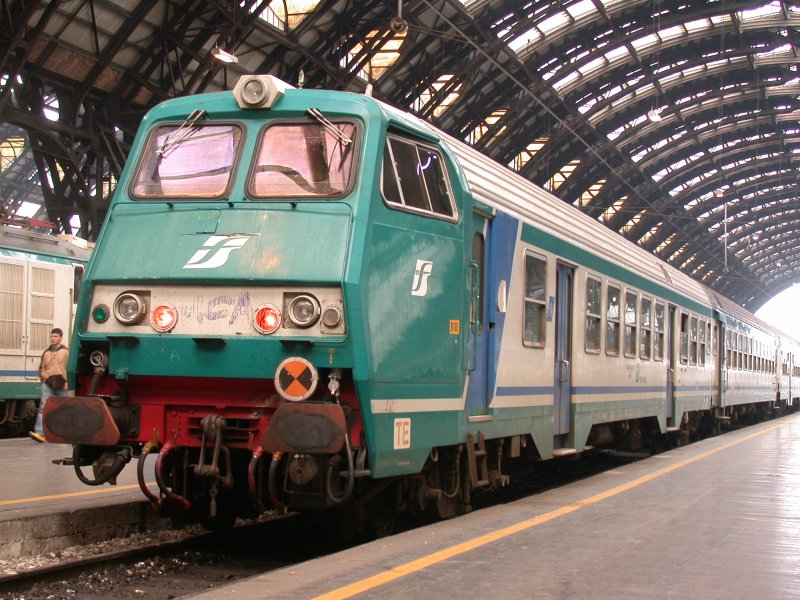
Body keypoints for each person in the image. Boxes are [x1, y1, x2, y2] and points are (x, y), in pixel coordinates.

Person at [29, 328, 69, 443]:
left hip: (62, 384)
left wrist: (68, 382)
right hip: (47, 384)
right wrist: (43, 377)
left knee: (63, 409)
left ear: (61, 338)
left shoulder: (66, 352)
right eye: (52, 336)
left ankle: (63, 434)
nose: (53, 338)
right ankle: (39, 433)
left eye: (56, 336)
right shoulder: (46, 352)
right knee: (43, 407)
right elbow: (41, 367)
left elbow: (70, 368)